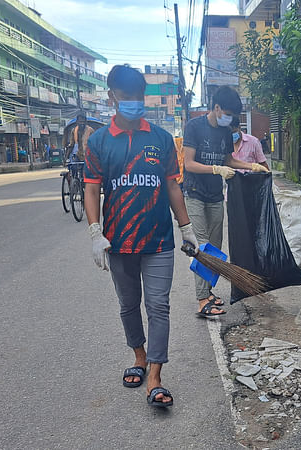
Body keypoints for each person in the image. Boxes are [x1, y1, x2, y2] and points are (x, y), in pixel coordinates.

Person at [83, 65, 198, 408]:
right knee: (128, 305)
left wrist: (187, 228)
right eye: (126, 97)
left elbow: (172, 186)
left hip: (159, 240)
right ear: (112, 98)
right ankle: (139, 356)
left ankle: (155, 377)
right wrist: (94, 233)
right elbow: (91, 190)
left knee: (158, 305)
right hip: (119, 241)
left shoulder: (161, 139)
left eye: (138, 97)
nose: (134, 103)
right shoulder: (99, 142)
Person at [182, 86, 270, 317]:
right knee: (202, 246)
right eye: (228, 113)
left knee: (215, 246)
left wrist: (251, 165)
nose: (230, 119)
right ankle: (202, 300)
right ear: (217, 107)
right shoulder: (194, 127)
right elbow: (188, 164)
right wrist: (215, 169)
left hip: (215, 196)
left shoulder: (224, 132)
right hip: (194, 193)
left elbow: (229, 160)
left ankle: (208, 292)